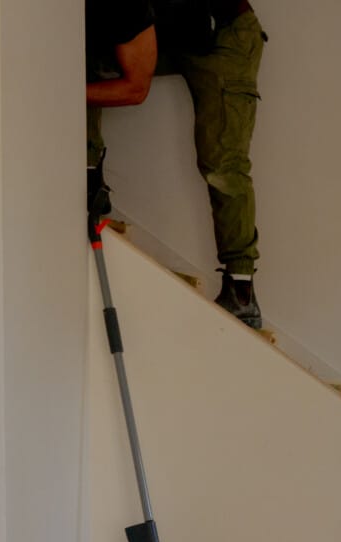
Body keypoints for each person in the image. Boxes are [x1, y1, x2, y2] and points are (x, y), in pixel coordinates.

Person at [86, 0, 267, 329]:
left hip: (223, 36)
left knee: (222, 164)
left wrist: (62, 91)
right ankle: (89, 178)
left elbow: (135, 88)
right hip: (169, 31)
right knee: (76, 51)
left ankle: (241, 290)